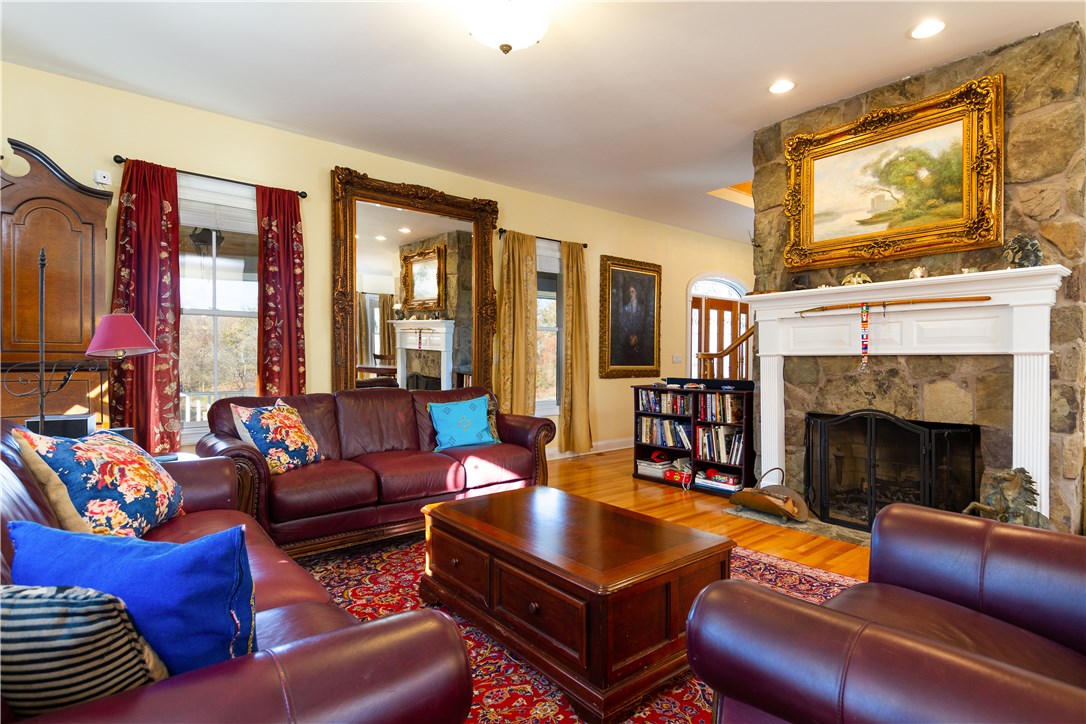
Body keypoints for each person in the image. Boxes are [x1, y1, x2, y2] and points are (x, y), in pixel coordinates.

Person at [615, 281, 648, 365]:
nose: (631, 294)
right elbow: (624, 323)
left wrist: (636, 336)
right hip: (628, 337)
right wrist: (630, 336)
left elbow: (641, 324)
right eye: (630, 292)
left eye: (633, 291)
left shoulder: (640, 308)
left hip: (638, 338)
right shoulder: (626, 308)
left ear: (636, 293)